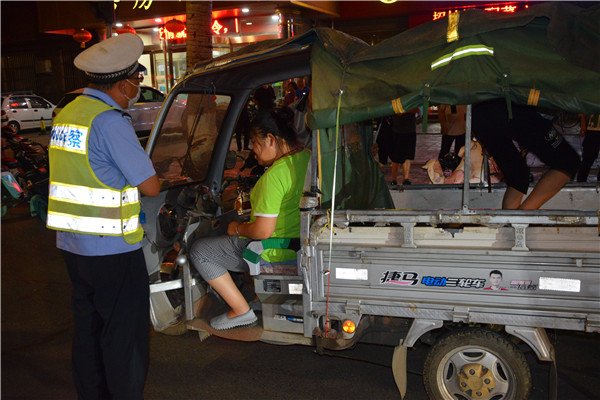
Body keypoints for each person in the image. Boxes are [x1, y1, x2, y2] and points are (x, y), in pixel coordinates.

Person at [46, 33, 160, 400]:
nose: (138, 86)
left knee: (88, 331)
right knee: (124, 337)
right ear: (123, 82)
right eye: (137, 80)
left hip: (73, 247)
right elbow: (151, 186)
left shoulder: (67, 114)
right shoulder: (110, 121)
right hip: (113, 249)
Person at [190, 109, 310, 330]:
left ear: (271, 139)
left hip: (272, 249)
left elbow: (262, 231)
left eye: (255, 143)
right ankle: (258, 297)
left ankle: (240, 311)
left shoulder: (274, 176)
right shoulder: (308, 158)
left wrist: (237, 228)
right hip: (300, 245)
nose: (253, 151)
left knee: (201, 250)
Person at [472, 100, 580, 210]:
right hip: (514, 110)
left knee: (518, 174)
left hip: (481, 115)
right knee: (569, 161)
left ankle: (511, 222)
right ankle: (522, 215)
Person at [390, 110, 419, 185]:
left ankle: (406, 178)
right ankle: (394, 179)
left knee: (408, 156)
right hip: (396, 130)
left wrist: (404, 110)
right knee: (395, 157)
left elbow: (417, 110)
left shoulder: (411, 100)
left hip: (410, 130)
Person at [576, 114, 600, 183]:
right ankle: (581, 181)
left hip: (592, 130)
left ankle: (581, 180)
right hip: (593, 130)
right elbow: (584, 112)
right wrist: (583, 126)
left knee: (588, 158)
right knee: (588, 158)